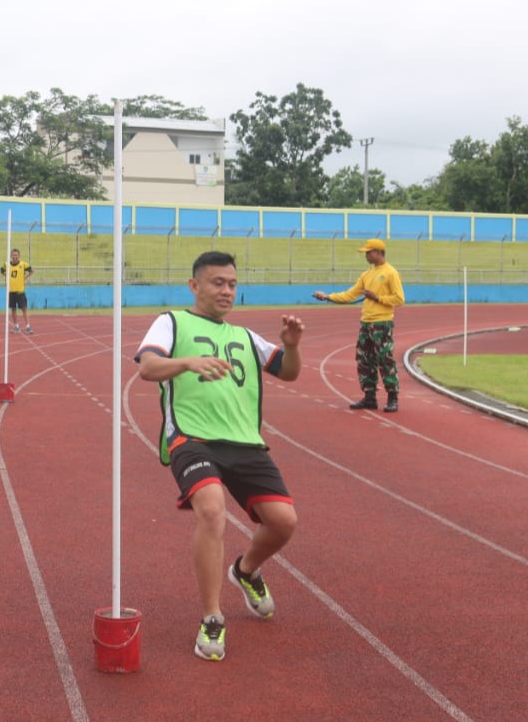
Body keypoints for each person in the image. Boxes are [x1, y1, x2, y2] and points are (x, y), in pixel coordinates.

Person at [134, 251, 305, 662]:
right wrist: (188, 361)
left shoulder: (247, 337)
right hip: (192, 438)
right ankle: (212, 617)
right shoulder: (171, 321)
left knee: (284, 523)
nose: (226, 290)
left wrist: (291, 346)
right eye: (217, 283)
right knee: (211, 509)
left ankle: (244, 571)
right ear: (195, 286)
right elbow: (148, 368)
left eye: (231, 283)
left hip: (244, 441)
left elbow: (289, 372)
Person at [313, 238, 406, 413]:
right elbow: (350, 294)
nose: (366, 255)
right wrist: (327, 297)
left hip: (382, 322)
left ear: (378, 252)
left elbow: (399, 299)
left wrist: (377, 297)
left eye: (368, 252)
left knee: (385, 359)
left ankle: (392, 397)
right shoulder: (366, 275)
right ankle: (369, 396)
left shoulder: (391, 273)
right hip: (366, 322)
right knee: (364, 359)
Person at [1, 248, 33, 334]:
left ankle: (28, 326)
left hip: (20, 291)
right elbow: (2, 270)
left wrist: (25, 278)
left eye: (16, 255)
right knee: (13, 309)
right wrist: (6, 276)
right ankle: (16, 326)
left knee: (24, 308)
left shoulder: (23, 264)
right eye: (13, 255)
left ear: (19, 256)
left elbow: (31, 270)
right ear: (11, 256)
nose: (15, 257)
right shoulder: (7, 264)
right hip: (11, 291)